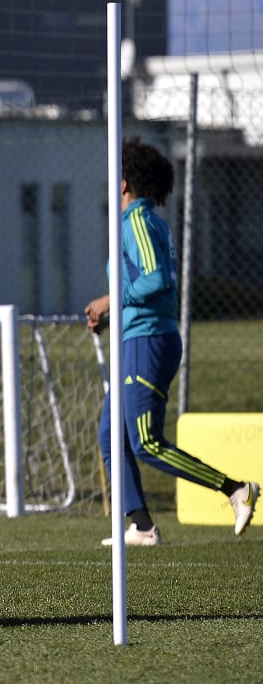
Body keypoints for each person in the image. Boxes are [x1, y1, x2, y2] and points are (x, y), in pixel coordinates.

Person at [85, 136, 257, 546]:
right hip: (135, 338)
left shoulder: (139, 221)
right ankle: (142, 525)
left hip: (150, 342)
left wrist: (111, 299)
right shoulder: (132, 224)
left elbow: (157, 279)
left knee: (145, 442)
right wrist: (113, 314)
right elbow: (141, 285)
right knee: (111, 435)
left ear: (125, 183)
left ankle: (236, 489)